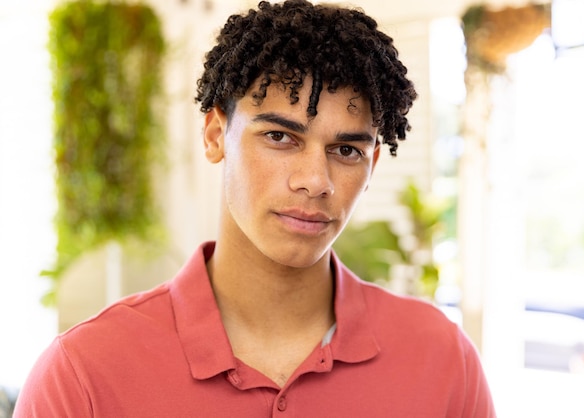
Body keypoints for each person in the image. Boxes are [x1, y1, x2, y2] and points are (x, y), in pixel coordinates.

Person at [14, 1, 496, 416]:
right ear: (214, 136)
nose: (315, 181)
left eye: (345, 150)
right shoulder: (83, 375)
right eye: (280, 137)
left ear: (371, 164)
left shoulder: (442, 360)